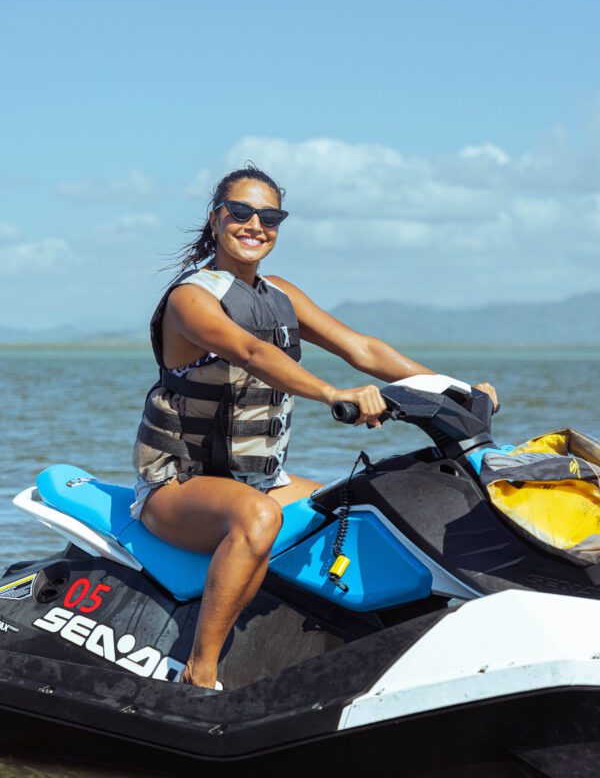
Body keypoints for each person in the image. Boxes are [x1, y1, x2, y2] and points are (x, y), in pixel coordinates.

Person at [132, 165, 498, 691]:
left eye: (270, 216)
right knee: (258, 519)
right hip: (176, 485)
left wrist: (453, 387)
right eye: (240, 212)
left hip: (259, 478)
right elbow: (251, 351)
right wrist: (333, 393)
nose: (255, 224)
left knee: (368, 501)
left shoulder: (280, 295)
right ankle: (201, 672)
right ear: (216, 220)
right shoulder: (192, 299)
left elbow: (363, 349)